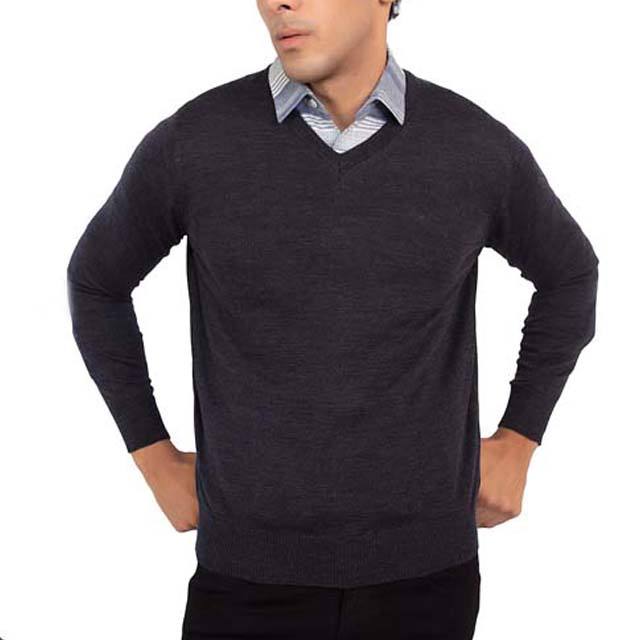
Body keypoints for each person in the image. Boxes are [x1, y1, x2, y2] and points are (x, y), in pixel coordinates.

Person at [66, 0, 599, 637]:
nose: (277, 3)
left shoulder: (473, 147)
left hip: (429, 580)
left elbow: (570, 275)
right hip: (245, 579)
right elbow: (96, 283)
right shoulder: (196, 142)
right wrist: (154, 457)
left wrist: (519, 439)